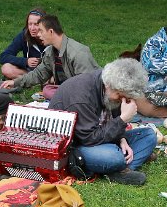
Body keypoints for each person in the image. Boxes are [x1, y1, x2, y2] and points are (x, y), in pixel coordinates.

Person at [49, 58, 157, 186]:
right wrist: (123, 120)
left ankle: (117, 171)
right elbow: (89, 138)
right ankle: (116, 166)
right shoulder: (81, 96)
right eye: (120, 95)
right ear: (108, 85)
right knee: (114, 157)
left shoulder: (112, 86)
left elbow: (111, 123)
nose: (122, 100)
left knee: (149, 136)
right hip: (74, 146)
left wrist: (121, 138)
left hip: (100, 137)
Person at [1, 14, 100, 91]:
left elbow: (87, 86)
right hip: (67, 91)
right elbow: (38, 74)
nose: (38, 35)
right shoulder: (51, 52)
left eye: (41, 31)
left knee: (50, 91)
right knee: (47, 91)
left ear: (51, 32)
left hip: (86, 95)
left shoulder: (78, 53)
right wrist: (15, 83)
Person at [0, 8, 47, 80]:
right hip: (29, 71)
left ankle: (32, 80)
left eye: (36, 24)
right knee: (6, 68)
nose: (32, 28)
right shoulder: (24, 36)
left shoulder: (51, 35)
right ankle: (33, 80)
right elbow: (3, 56)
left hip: (48, 71)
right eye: (30, 24)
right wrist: (25, 61)